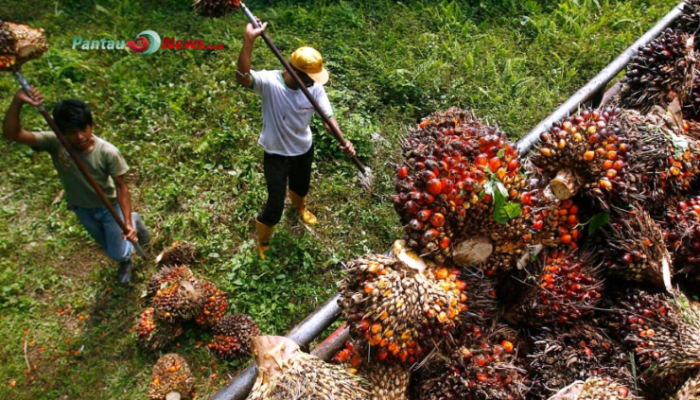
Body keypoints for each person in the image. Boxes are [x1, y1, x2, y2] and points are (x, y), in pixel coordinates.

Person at [2, 87, 150, 284]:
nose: (79, 137)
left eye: (83, 129)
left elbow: (122, 187)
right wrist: (18, 101)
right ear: (61, 132)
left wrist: (128, 226)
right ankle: (125, 250)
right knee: (105, 244)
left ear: (91, 125)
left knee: (117, 251)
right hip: (82, 207)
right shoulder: (56, 143)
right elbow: (12, 134)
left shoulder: (107, 152)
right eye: (71, 132)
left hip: (109, 206)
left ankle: (130, 233)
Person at [236, 19, 356, 260]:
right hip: (276, 154)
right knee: (275, 203)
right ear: (293, 72)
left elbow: (328, 119)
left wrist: (344, 141)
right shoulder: (270, 83)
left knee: (301, 186)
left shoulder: (314, 88)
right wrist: (249, 40)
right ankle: (263, 238)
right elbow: (242, 77)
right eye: (310, 78)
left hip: (303, 149)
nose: (314, 83)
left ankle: (300, 207)